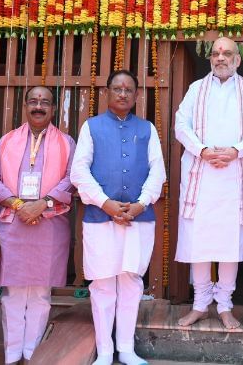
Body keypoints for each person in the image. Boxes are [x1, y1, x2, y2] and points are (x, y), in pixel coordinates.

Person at [174, 37, 243, 330]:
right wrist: (202, 151)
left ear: (237, 60)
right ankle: (201, 304)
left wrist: (236, 151)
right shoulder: (196, 89)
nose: (221, 58)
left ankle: (225, 304)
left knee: (231, 243)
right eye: (216, 53)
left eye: (227, 53)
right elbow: (181, 125)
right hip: (201, 176)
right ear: (210, 58)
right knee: (199, 240)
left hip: (235, 176)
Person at [72, 70, 167, 365]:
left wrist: (140, 204)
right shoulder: (92, 127)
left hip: (139, 218)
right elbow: (79, 171)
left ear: (137, 95)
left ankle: (125, 348)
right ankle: (103, 351)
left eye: (128, 89)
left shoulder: (147, 128)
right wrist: (106, 204)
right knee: (102, 284)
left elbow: (158, 171)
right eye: (117, 88)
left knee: (130, 281)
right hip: (101, 218)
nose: (123, 94)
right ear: (107, 93)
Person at [0, 86, 76, 364]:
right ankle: (12, 355)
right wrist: (19, 205)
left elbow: (73, 178)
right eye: (34, 101)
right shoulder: (7, 141)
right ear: (25, 106)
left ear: (53, 108)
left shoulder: (66, 142)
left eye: (45, 102)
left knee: (41, 293)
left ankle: (32, 354)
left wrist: (43, 203)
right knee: (12, 293)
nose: (39, 106)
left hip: (49, 224)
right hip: (14, 223)